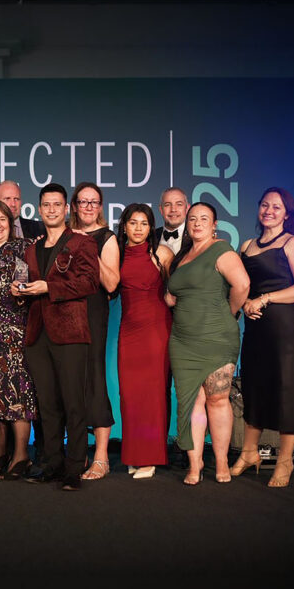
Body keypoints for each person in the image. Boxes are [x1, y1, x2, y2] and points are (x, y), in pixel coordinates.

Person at [14, 183, 100, 491]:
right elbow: (26, 282)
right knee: (47, 404)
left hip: (70, 333)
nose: (51, 210)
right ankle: (52, 463)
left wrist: (50, 288)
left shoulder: (82, 243)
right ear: (39, 209)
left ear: (66, 209)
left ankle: (74, 467)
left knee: (73, 403)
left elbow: (90, 282)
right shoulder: (30, 249)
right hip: (38, 334)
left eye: (57, 205)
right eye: (46, 205)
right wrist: (19, 291)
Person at [165, 202, 249, 485]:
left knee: (217, 399)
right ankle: (195, 463)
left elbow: (242, 285)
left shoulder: (222, 250)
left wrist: (229, 313)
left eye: (204, 219)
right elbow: (172, 295)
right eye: (192, 219)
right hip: (182, 340)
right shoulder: (184, 256)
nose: (197, 223)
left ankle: (222, 462)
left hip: (216, 338)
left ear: (215, 225)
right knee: (190, 403)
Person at [234, 188, 294, 488]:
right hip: (255, 327)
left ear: (287, 214)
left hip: (286, 327)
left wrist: (264, 299)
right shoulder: (246, 245)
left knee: (286, 388)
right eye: (265, 205)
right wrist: (245, 303)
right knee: (253, 386)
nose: (269, 211)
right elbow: (239, 285)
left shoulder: (292, 243)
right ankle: (248, 453)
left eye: (276, 207)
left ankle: (285, 460)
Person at [0, 199, 38, 479]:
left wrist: (22, 291)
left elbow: (27, 283)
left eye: (2, 219)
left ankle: (21, 455)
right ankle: (1, 453)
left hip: (15, 332)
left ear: (10, 222)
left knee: (18, 393)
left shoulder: (23, 248)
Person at [116, 204, 174, 479]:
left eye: (144, 223)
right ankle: (134, 455)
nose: (138, 228)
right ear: (124, 226)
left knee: (152, 395)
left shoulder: (162, 254)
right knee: (129, 395)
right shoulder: (116, 254)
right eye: (133, 222)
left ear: (151, 227)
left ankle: (150, 457)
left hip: (156, 331)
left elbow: (175, 291)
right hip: (128, 331)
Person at [68, 181, 119, 481]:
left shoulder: (106, 238)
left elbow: (111, 284)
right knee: (70, 384)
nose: (88, 207)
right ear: (74, 206)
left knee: (95, 381)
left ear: (100, 207)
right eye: (83, 201)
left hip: (92, 314)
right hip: (64, 317)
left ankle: (101, 457)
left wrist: (88, 249)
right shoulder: (64, 234)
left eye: (94, 202)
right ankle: (78, 454)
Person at [156, 187, 191, 256]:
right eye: (167, 205)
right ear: (161, 210)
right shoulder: (150, 237)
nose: (173, 209)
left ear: (187, 208)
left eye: (179, 204)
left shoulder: (195, 236)